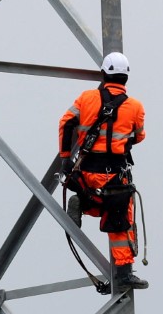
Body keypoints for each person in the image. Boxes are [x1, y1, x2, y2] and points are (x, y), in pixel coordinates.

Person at [57, 51, 147, 292]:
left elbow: (66, 123)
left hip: (86, 172)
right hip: (115, 174)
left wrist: (66, 158)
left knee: (99, 200)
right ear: (126, 78)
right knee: (120, 221)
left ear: (103, 74)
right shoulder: (135, 107)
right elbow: (138, 136)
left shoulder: (86, 98)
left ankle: (83, 204)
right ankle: (124, 272)